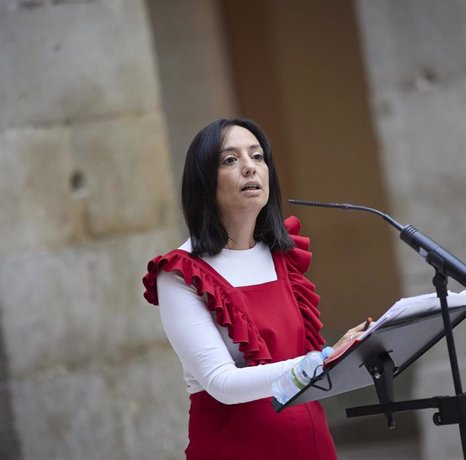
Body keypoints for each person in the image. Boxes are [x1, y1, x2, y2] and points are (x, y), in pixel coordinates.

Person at [142, 118, 365, 460]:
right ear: (204, 182)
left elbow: (305, 366)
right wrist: (321, 360)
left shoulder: (282, 257)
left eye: (257, 156)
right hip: (235, 448)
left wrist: (344, 355)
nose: (249, 167)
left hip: (311, 443)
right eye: (230, 160)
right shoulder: (181, 273)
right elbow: (222, 384)